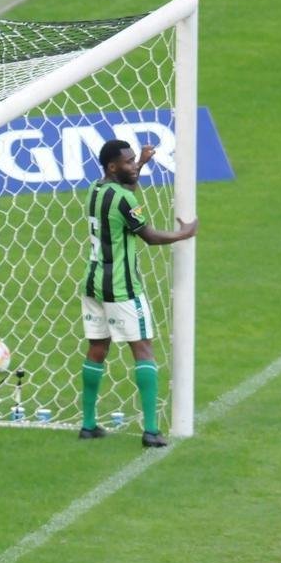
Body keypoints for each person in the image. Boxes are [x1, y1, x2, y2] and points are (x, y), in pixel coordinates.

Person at [79, 139, 198, 447]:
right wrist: (185, 233)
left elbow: (123, 192)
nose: (134, 165)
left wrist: (142, 164)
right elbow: (150, 236)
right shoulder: (123, 199)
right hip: (122, 287)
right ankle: (151, 430)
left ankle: (88, 424)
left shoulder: (96, 190)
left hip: (93, 283)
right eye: (129, 162)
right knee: (143, 351)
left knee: (97, 349)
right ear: (112, 167)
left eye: (134, 160)